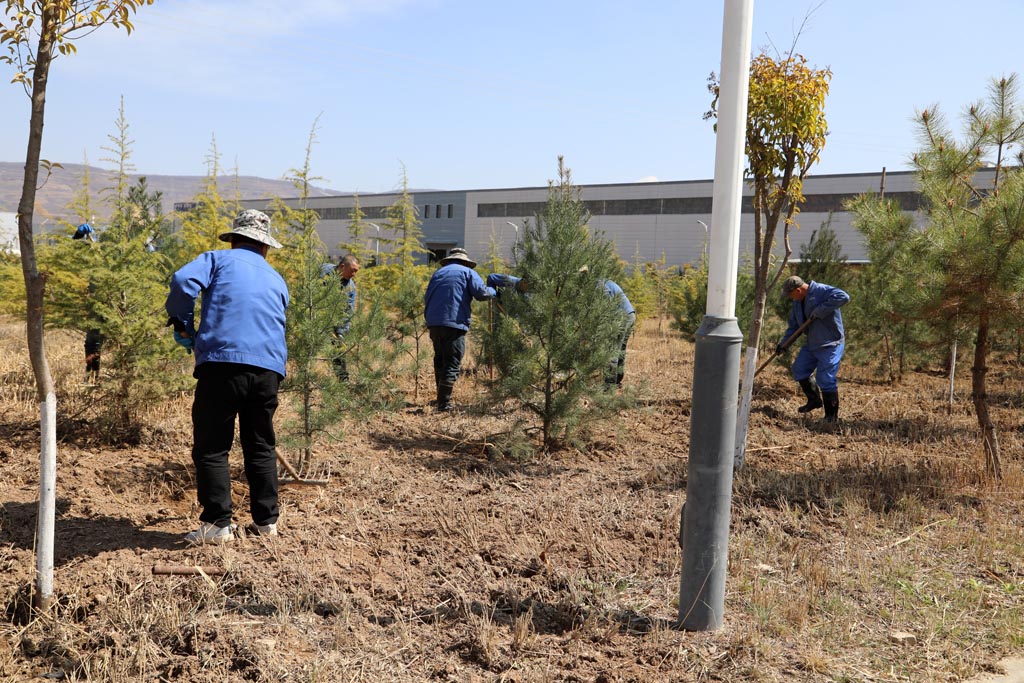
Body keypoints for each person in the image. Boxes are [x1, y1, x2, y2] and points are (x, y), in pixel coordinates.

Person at [165, 209, 289, 544]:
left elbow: (181, 282)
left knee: (213, 446)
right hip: (268, 370)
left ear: (234, 239)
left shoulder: (217, 260)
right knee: (261, 444)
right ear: (265, 247)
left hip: (223, 364)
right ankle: (267, 524)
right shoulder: (277, 278)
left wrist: (181, 323)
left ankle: (218, 524)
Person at [424, 248, 496, 411]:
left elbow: (427, 296)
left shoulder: (438, 274)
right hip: (454, 323)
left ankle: (440, 398)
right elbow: (482, 293)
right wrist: (494, 291)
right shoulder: (467, 272)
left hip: (434, 323)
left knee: (440, 359)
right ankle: (444, 404)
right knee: (452, 362)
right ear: (465, 262)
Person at [777, 275, 850, 423]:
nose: (791, 298)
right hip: (812, 343)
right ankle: (814, 400)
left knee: (825, 379)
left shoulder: (821, 291)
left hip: (831, 343)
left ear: (798, 290)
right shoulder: (798, 303)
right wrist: (784, 344)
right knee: (799, 368)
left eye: (791, 295)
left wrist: (821, 309)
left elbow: (844, 296)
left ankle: (831, 418)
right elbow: (794, 326)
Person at [331, 254, 360, 381]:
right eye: (353, 270)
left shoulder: (350, 287)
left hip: (336, 322)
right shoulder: (323, 273)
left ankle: (343, 381)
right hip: (315, 319)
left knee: (338, 350)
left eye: (356, 271)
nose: (354, 274)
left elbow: (348, 313)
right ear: (342, 266)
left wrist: (341, 333)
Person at [602, 279, 635, 386]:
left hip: (622, 317)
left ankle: (609, 384)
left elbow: (607, 307)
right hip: (630, 315)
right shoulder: (606, 282)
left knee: (612, 350)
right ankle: (617, 380)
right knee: (620, 350)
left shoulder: (599, 285)